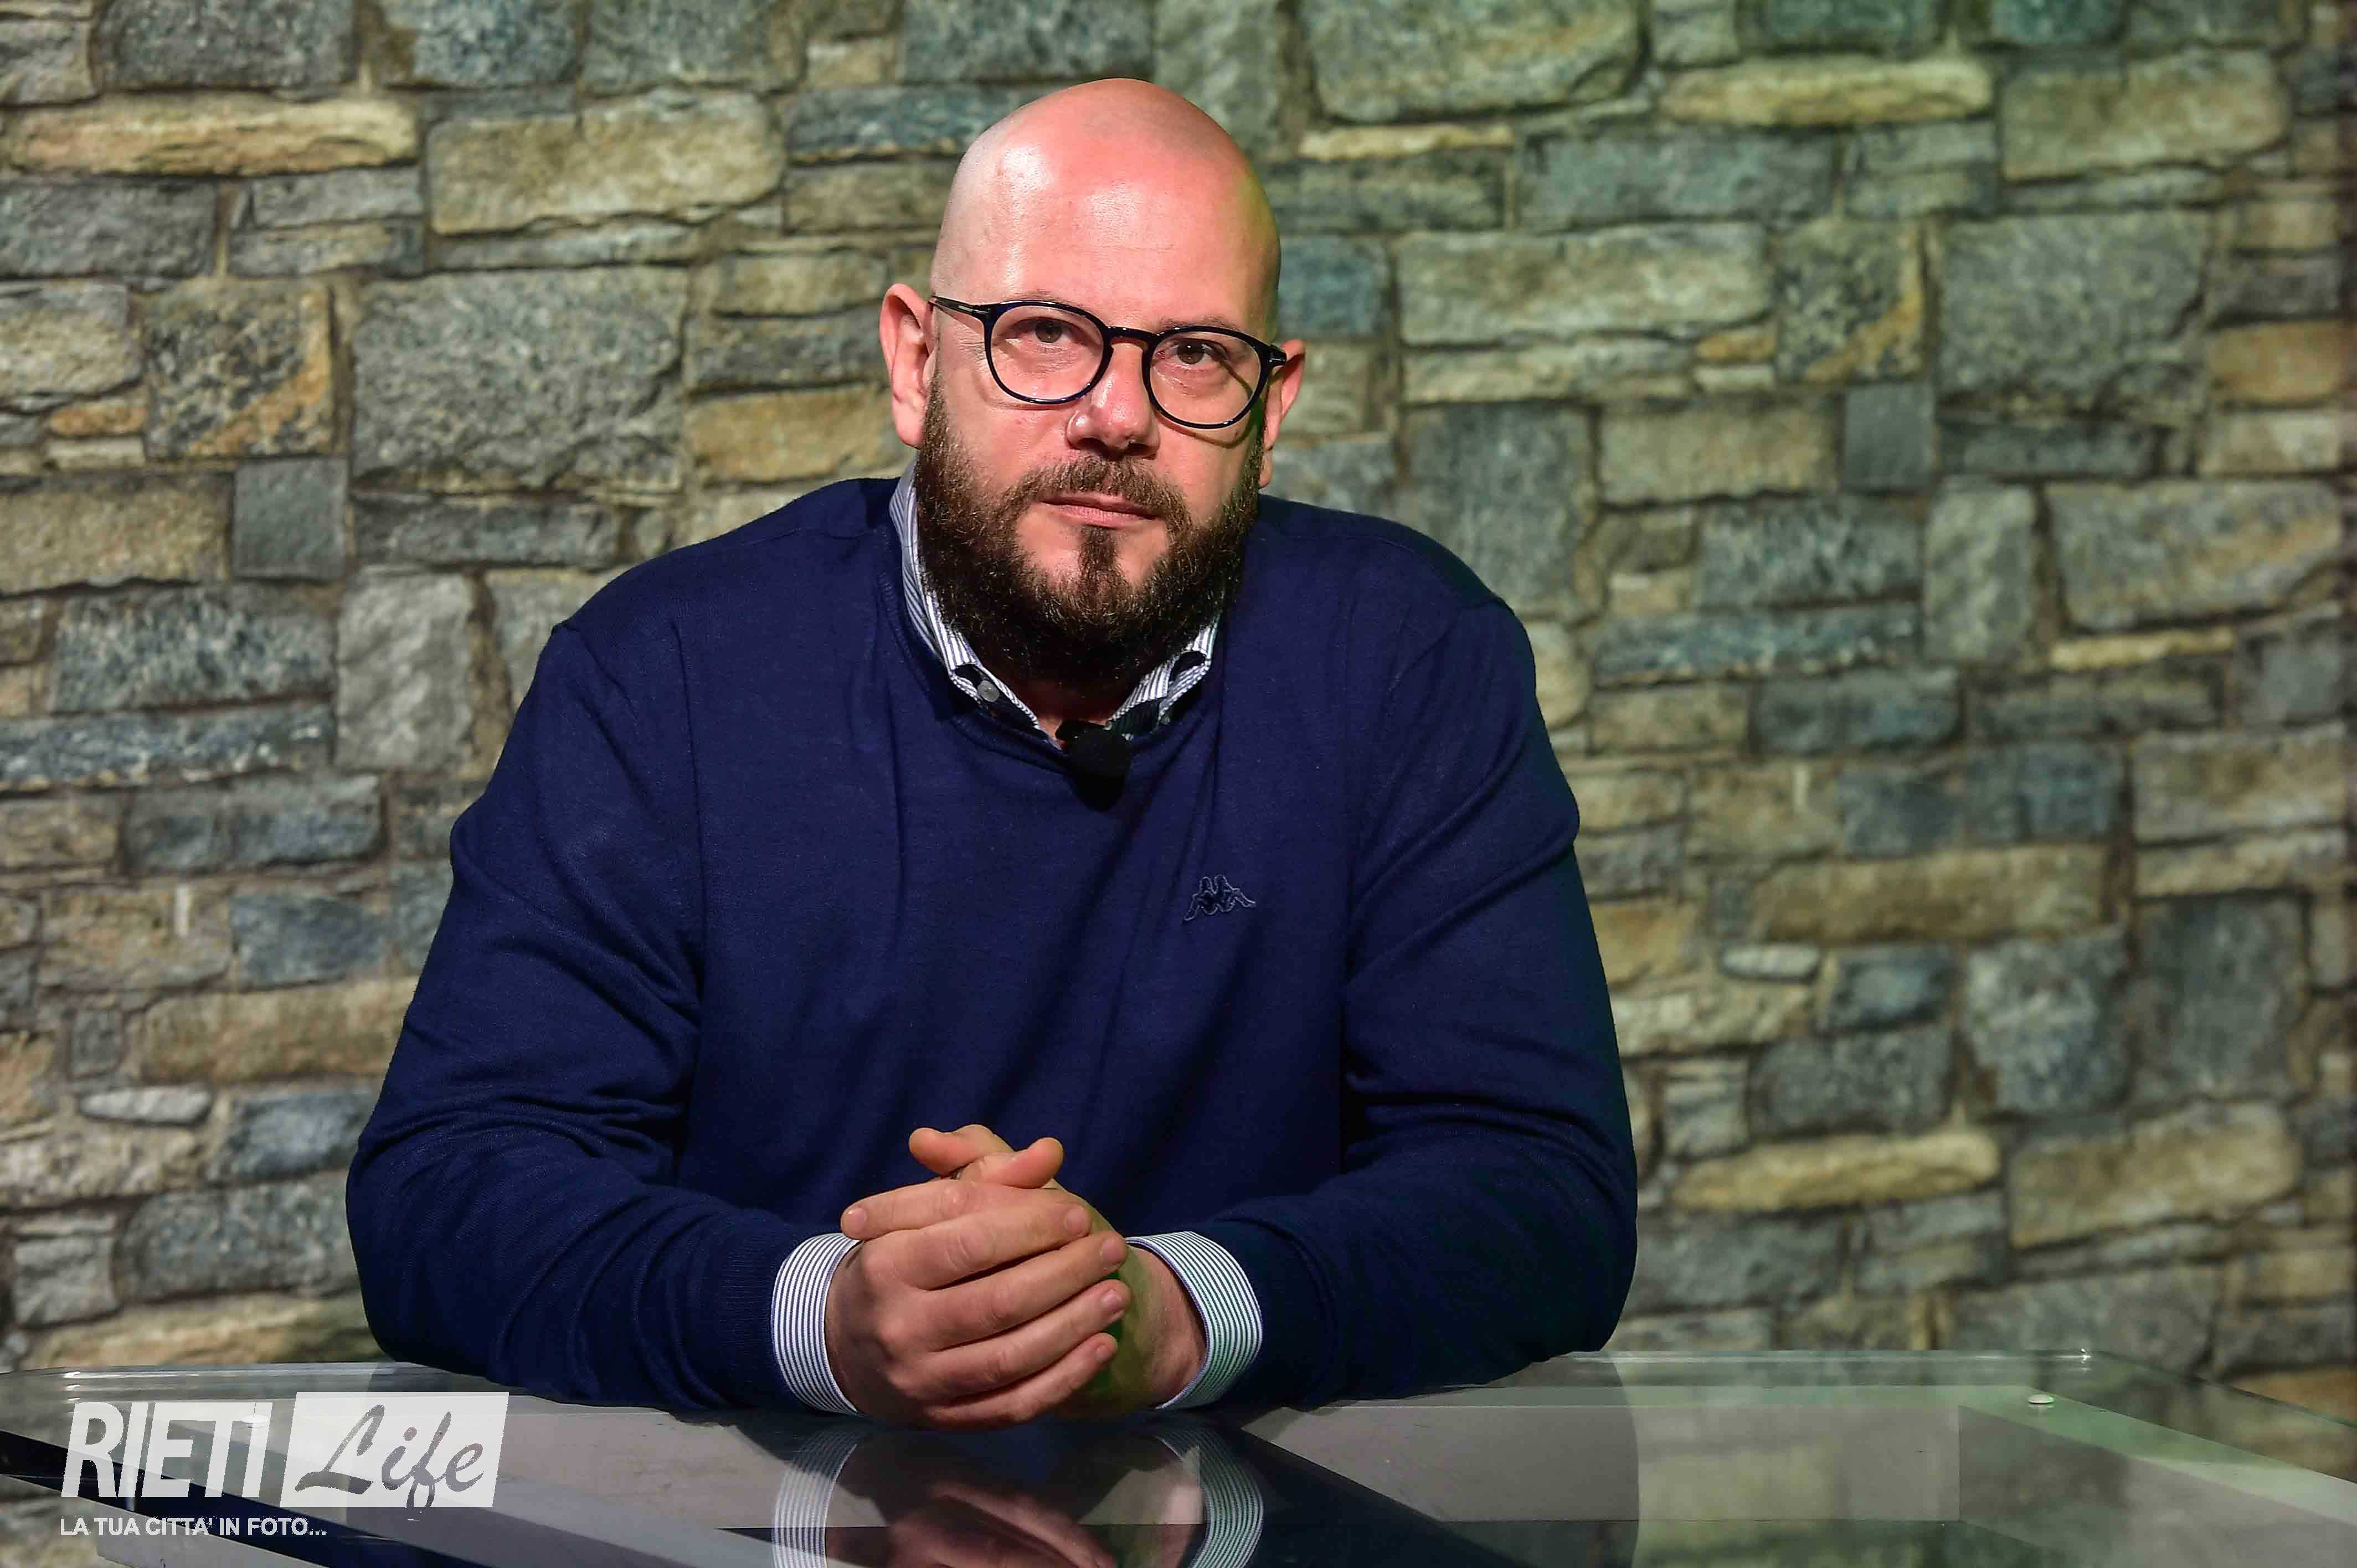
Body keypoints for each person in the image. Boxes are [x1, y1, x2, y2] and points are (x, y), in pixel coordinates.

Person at [345, 78, 1636, 1432]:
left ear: (1273, 405)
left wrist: (1173, 1312)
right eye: (1044, 335)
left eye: (1196, 354)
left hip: (1247, 1514)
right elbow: (447, 1191)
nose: (1116, 415)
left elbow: (1538, 1188)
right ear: (916, 363)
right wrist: (824, 1318)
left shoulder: (1412, 660)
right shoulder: (658, 673)